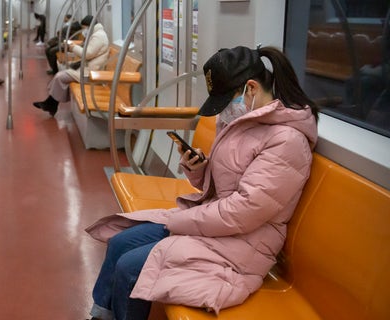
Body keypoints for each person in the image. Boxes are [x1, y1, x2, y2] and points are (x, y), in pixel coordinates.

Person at [84, 46, 319, 320]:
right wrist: (199, 169)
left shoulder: (286, 141)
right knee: (120, 243)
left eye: (226, 101)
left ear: (251, 89)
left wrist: (180, 221)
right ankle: (101, 315)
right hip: (214, 226)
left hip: (244, 244)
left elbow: (244, 211)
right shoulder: (241, 122)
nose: (223, 112)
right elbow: (224, 186)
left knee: (130, 267)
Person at [32, 15, 109, 116]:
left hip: (92, 74)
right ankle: (51, 104)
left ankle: (51, 104)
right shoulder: (96, 34)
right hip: (89, 69)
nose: (83, 31)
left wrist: (73, 48)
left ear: (89, 26)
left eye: (84, 28)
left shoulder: (98, 36)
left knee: (61, 76)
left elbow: (87, 54)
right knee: (61, 76)